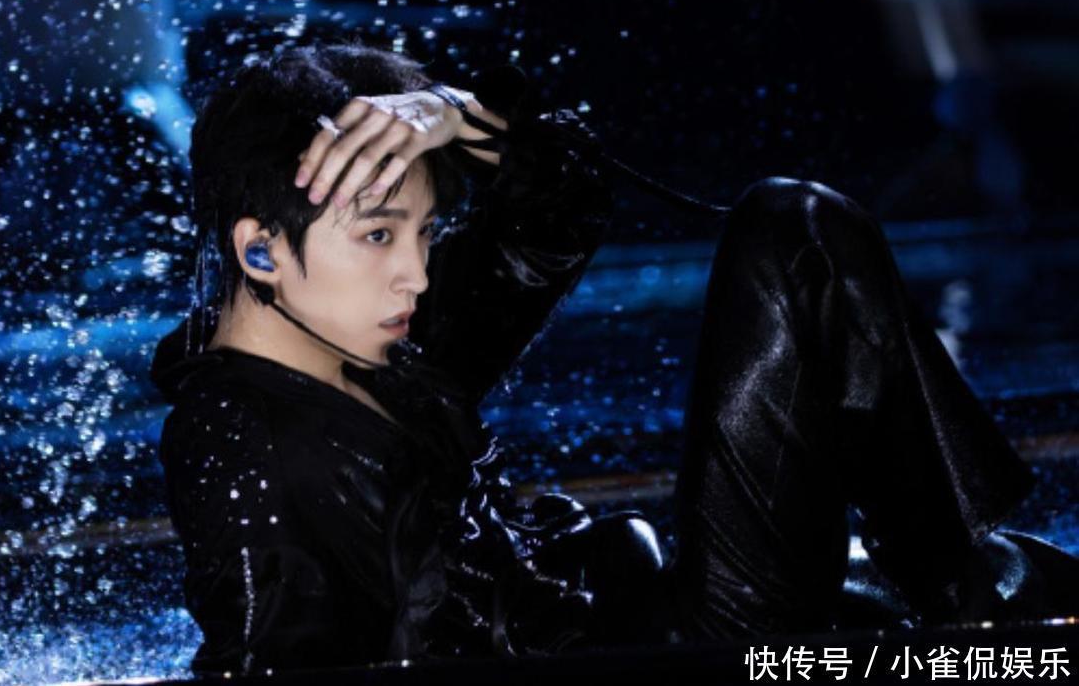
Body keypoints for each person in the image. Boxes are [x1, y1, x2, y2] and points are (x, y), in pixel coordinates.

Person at [152, 43, 1077, 677]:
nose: (418, 273)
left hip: (646, 618)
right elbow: (265, 665)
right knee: (794, 234)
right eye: (380, 234)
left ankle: (970, 602)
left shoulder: (372, 330)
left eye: (426, 232)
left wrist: (452, 114)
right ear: (260, 248)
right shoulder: (237, 441)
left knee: (1002, 574)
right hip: (675, 658)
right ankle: (970, 612)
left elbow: (559, 209)